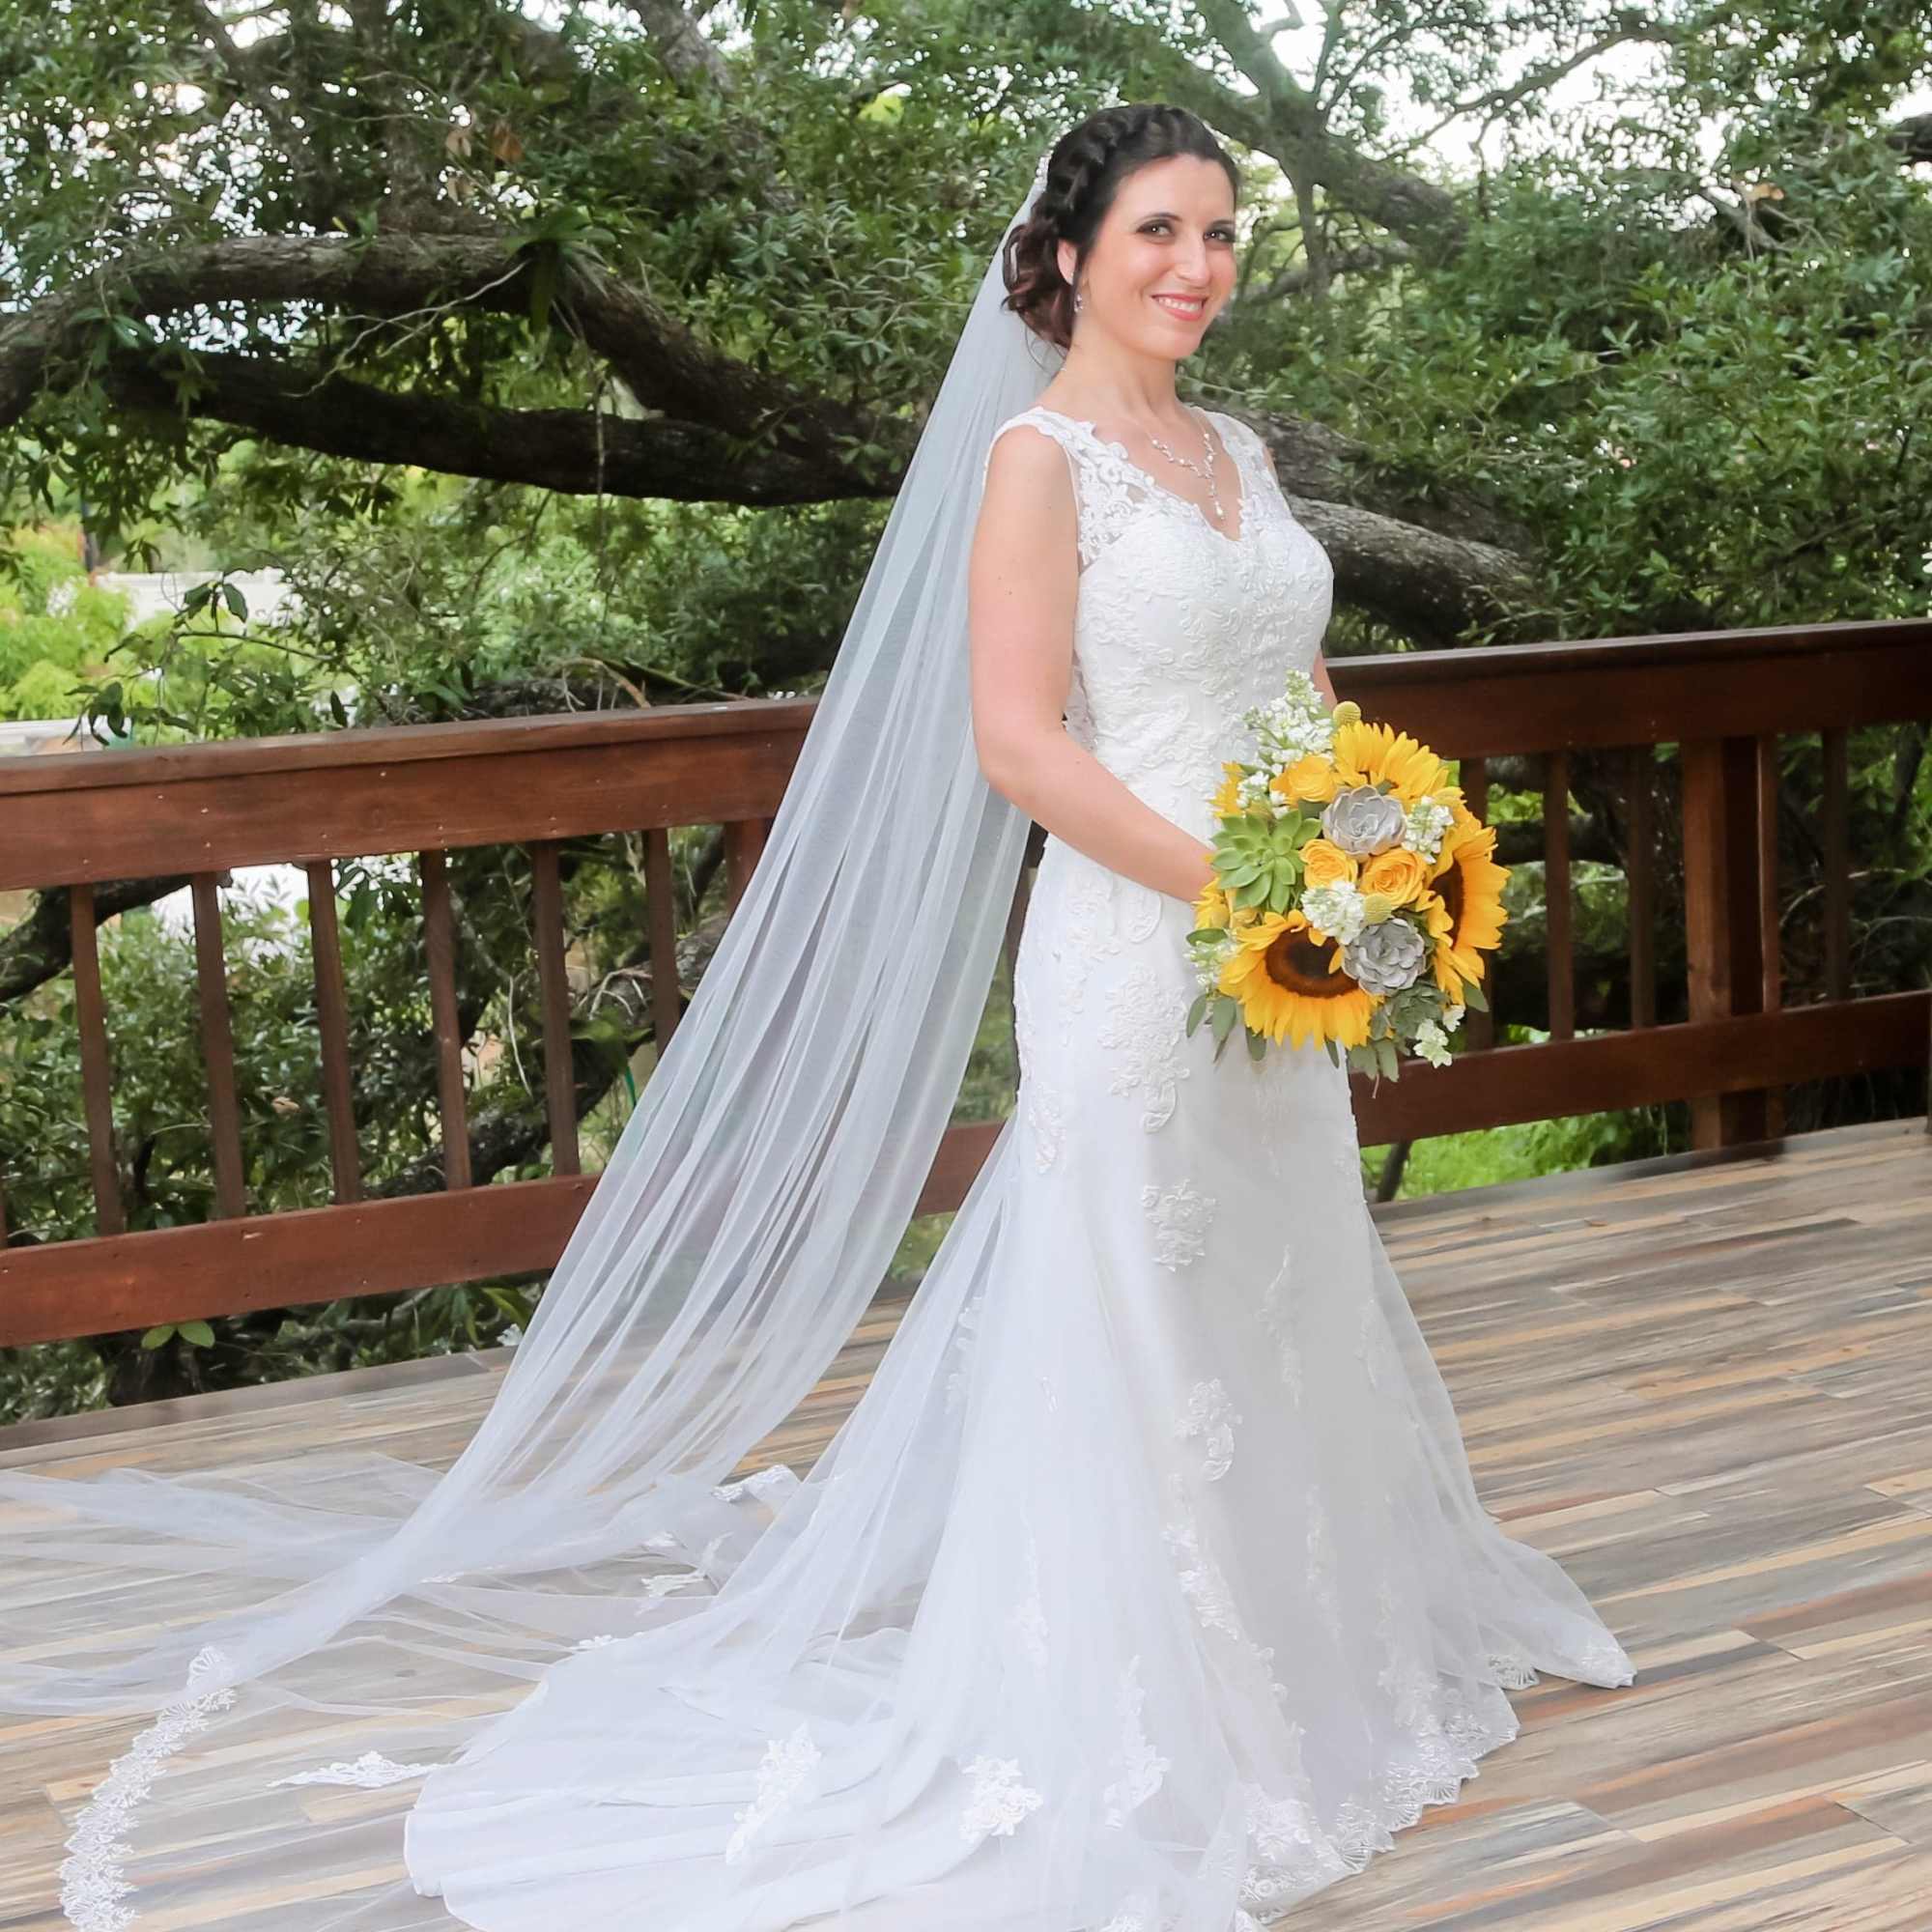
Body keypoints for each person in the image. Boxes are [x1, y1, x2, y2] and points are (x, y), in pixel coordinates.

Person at [0, 105, 1633, 1932]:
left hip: (1292, 949)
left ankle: (1314, 1642)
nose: (1198, 267)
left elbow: (1305, 684)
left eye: (1224, 234)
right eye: (1162, 231)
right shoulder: (1039, 460)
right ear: (1073, 256)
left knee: (1278, 1280)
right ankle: (1166, 1706)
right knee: (1142, 1305)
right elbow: (1020, 744)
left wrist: (1379, 852)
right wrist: (1240, 892)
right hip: (1142, 943)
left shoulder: (1236, 449)